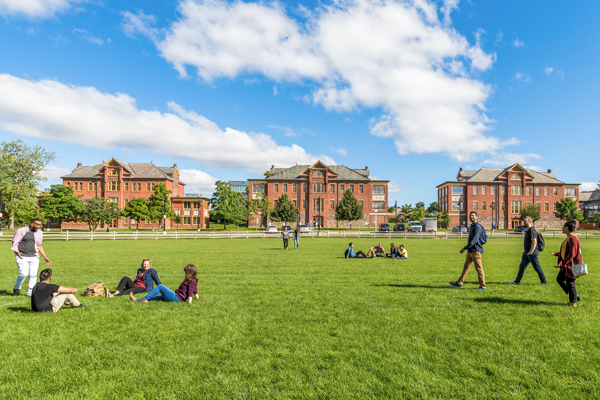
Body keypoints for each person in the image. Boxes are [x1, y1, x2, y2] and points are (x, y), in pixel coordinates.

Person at [11, 218, 52, 296]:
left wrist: (45, 257)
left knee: (33, 274)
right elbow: (14, 242)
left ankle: (30, 292)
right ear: (32, 224)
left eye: (40, 225)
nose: (39, 226)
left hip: (34, 256)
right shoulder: (21, 231)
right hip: (22, 256)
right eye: (37, 224)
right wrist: (16, 252)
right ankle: (16, 288)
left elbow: (39, 245)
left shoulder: (39, 233)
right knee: (23, 273)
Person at [450, 211, 487, 290]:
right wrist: (468, 251)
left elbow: (474, 240)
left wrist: (464, 248)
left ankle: (483, 286)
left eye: (473, 216)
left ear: (476, 217)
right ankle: (459, 283)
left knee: (479, 268)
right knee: (466, 267)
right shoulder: (473, 226)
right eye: (470, 216)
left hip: (476, 251)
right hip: (471, 251)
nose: (471, 217)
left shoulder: (477, 227)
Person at [130, 264, 199, 304]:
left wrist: (189, 303)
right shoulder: (193, 280)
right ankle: (137, 300)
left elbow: (190, 292)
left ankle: (145, 298)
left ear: (190, 273)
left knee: (160, 286)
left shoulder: (191, 282)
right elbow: (194, 290)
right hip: (176, 296)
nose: (185, 274)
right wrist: (197, 297)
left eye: (186, 273)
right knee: (155, 298)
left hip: (177, 298)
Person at [508, 216, 547, 285]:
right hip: (527, 253)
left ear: (530, 222)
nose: (524, 222)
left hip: (532, 253)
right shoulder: (528, 230)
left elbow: (534, 241)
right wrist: (526, 251)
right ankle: (517, 281)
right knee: (522, 267)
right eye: (524, 221)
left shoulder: (532, 230)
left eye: (526, 221)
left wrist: (531, 252)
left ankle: (544, 282)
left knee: (537, 268)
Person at [552, 220, 583, 307]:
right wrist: (557, 254)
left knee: (570, 283)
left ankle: (573, 302)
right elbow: (566, 251)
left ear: (567, 228)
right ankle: (575, 296)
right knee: (560, 279)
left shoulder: (573, 238)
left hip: (571, 265)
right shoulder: (569, 238)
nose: (562, 228)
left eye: (563, 226)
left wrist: (562, 262)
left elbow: (572, 254)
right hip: (566, 264)